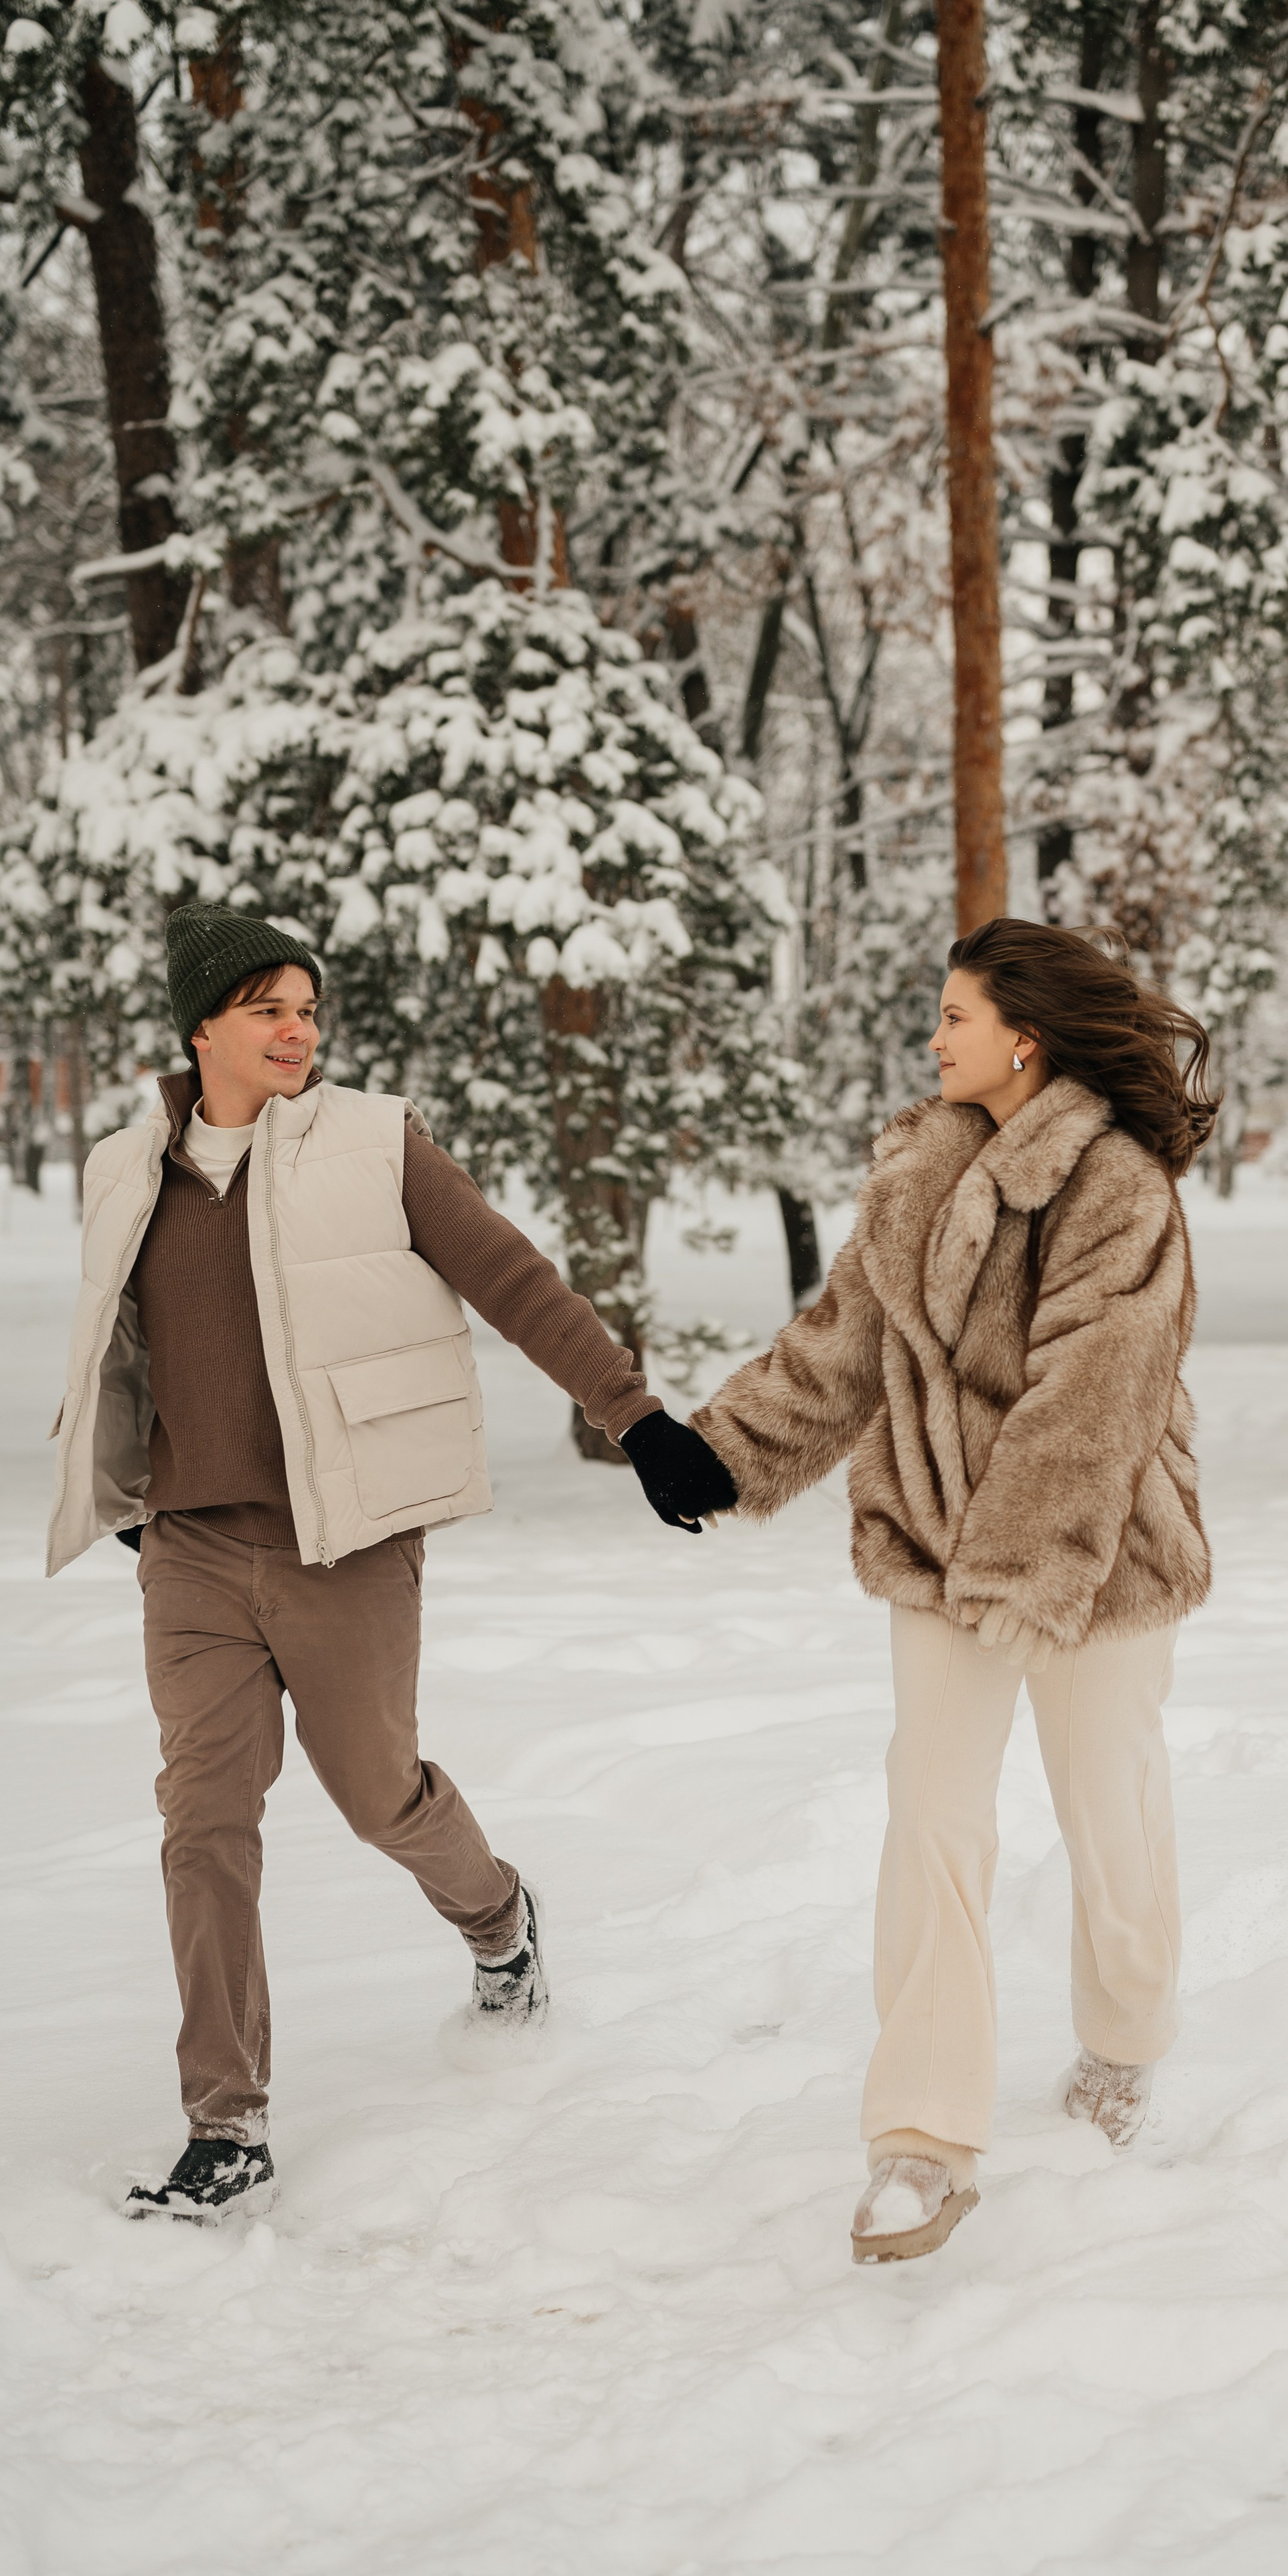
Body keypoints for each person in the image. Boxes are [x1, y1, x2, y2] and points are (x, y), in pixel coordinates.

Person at [48, 902, 735, 2223]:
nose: (299, 1030)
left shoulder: (373, 1146)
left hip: (342, 1544)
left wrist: (634, 1418)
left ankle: (498, 1921)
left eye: (308, 1007)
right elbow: (107, 1345)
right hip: (190, 1551)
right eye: (269, 1008)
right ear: (203, 1028)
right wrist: (124, 1476)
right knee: (204, 1823)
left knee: (378, 1794)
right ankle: (225, 2125)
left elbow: (514, 1280)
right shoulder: (124, 1167)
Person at [692, 918, 1216, 2263]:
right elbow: (840, 1346)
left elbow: (1094, 1392)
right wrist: (719, 1453)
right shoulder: (917, 1170)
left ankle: (1123, 2034)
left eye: (952, 1016)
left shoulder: (1115, 1186)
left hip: (1092, 1556)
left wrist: (1024, 1566)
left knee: (1111, 1813)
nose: (932, 1039)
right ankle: (919, 2140)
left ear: (1021, 1036)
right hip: (931, 1546)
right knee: (930, 1814)